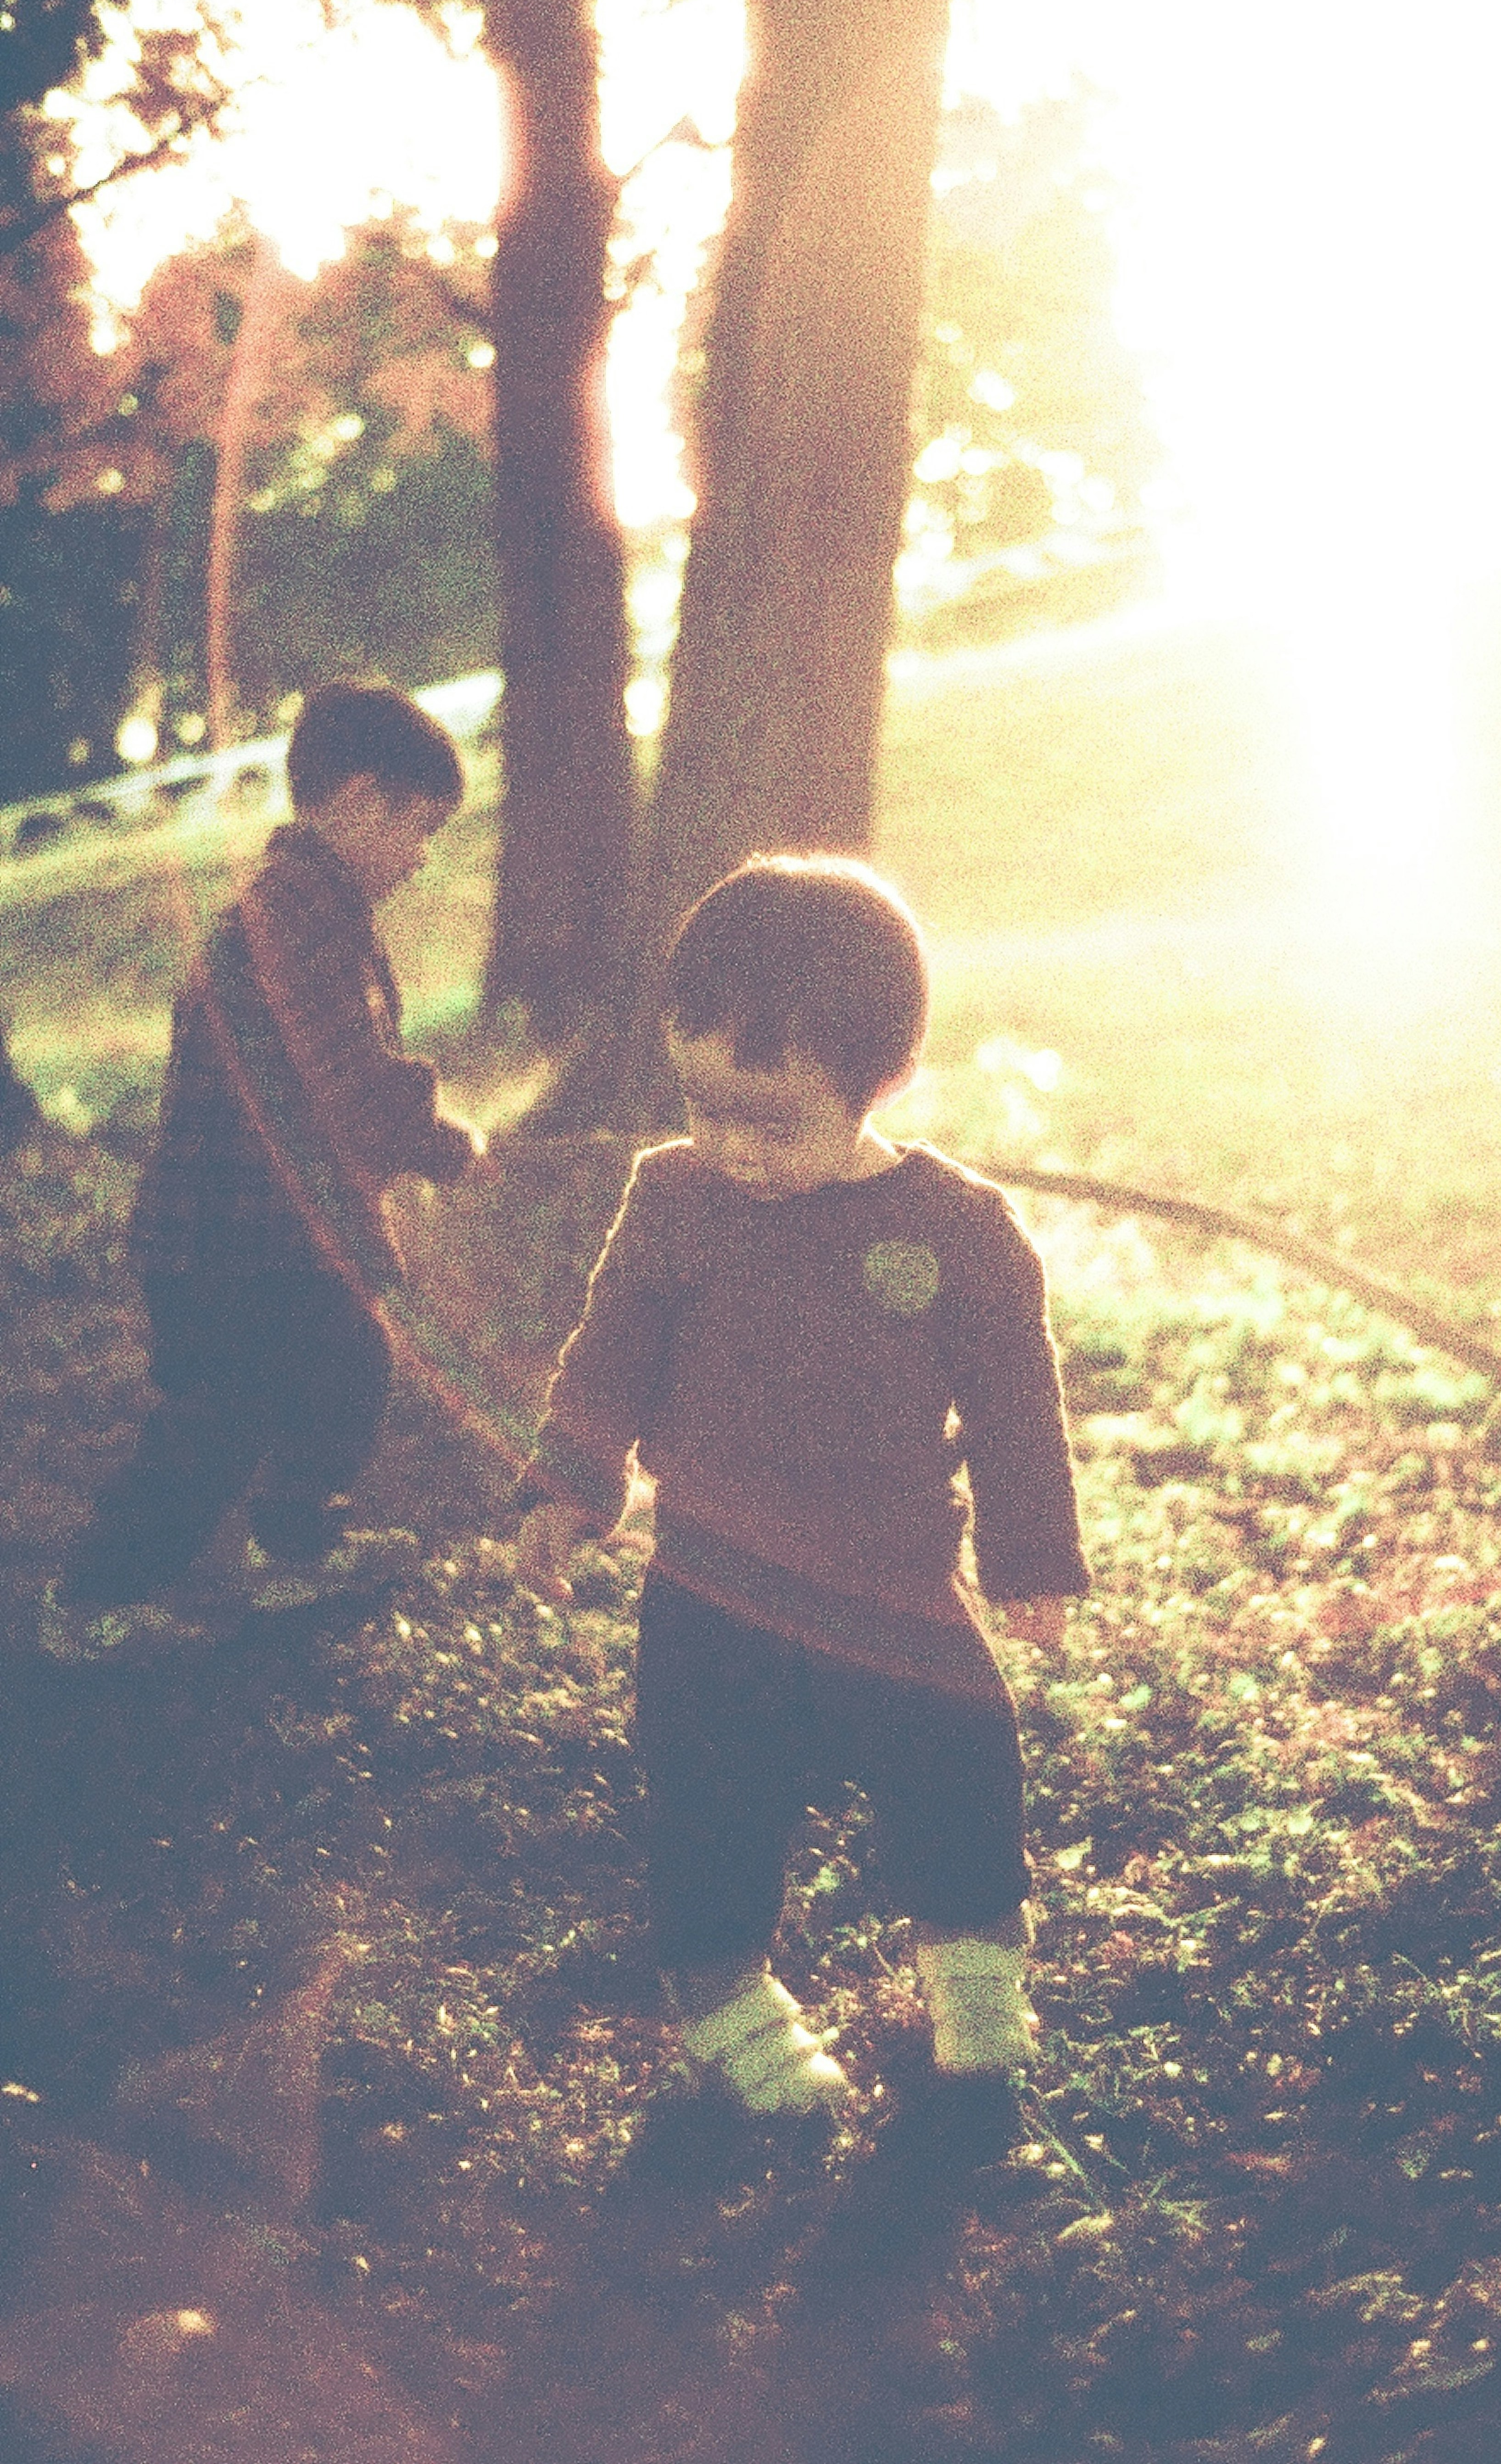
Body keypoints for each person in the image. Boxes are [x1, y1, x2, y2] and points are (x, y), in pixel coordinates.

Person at [514, 855, 1091, 2176]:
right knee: (707, 1799)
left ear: (874, 1080)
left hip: (892, 1586)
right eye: (704, 1104)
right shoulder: (672, 1199)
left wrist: (1032, 1559)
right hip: (710, 1587)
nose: (731, 1145)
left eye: (769, 1119)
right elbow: (612, 1351)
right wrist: (568, 1478)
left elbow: (1014, 1404)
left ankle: (977, 1989)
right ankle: (723, 2002)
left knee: (961, 1766)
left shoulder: (956, 1229)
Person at [41, 680, 483, 1662]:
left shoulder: (314, 906)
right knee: (215, 1425)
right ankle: (92, 1598)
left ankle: (294, 1551)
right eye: (418, 828)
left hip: (279, 1233)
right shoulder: (290, 918)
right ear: (361, 801)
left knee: (348, 1370)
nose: (422, 859)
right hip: (227, 1240)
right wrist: (437, 1141)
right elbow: (342, 1071)